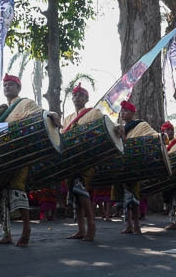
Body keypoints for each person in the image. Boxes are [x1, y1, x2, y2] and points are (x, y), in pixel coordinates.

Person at [0, 73, 61, 247]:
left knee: (18, 189)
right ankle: (6, 233)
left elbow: (40, 114)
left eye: (10, 84)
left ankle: (26, 230)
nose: (7, 87)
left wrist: (51, 113)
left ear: (18, 88)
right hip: (3, 158)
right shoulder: (1, 110)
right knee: (3, 193)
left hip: (21, 155)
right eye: (5, 84)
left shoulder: (26, 103)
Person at [63, 83, 104, 242]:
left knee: (80, 189)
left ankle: (92, 225)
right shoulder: (67, 118)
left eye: (80, 95)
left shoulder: (94, 112)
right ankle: (81, 229)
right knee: (75, 194)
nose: (77, 98)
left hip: (87, 158)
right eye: (74, 95)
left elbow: (106, 126)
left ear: (87, 99)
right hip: (71, 161)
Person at [113, 100, 157, 235]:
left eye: (126, 111)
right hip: (122, 166)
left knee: (134, 196)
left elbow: (153, 136)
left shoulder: (141, 125)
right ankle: (128, 225)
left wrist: (163, 137)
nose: (123, 113)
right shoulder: (118, 128)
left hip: (135, 165)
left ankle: (137, 225)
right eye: (122, 111)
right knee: (125, 196)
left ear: (132, 113)